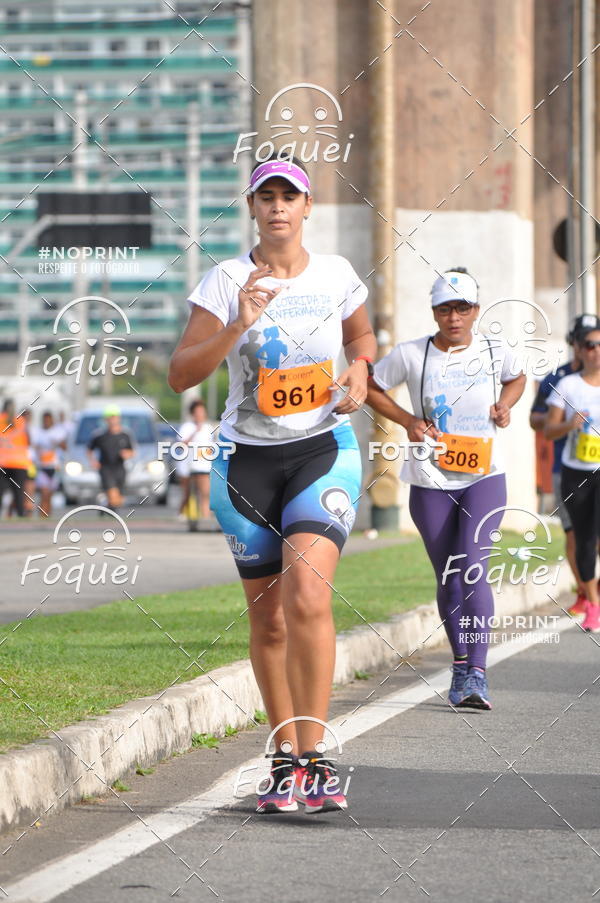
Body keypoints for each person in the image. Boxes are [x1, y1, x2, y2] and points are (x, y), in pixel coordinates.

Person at [168, 155, 375, 813]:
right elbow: (180, 374)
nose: (279, 206)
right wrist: (238, 323)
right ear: (253, 207)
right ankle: (284, 758)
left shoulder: (336, 272)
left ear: (308, 206)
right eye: (267, 196)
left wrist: (361, 371)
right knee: (269, 616)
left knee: (308, 593)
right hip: (245, 464)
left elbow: (362, 336)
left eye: (290, 195)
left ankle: (315, 759)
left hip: (322, 450)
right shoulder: (226, 279)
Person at [366, 268, 526, 710]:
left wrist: (505, 405)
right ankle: (459, 664)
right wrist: (408, 421)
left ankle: (477, 673)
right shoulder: (411, 354)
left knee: (473, 567)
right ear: (434, 311)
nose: (454, 317)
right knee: (450, 575)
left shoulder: (494, 350)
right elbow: (370, 388)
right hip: (430, 481)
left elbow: (517, 377)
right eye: (444, 309)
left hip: (484, 477)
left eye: (462, 308)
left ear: (476, 310)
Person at [530, 314, 597, 615]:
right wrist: (565, 417)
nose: (592, 348)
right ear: (575, 344)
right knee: (575, 533)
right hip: (565, 467)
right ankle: (586, 593)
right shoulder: (559, 379)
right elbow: (535, 419)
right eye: (586, 342)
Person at [545, 319, 600, 633]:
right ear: (580, 350)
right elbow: (548, 430)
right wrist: (569, 424)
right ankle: (592, 603)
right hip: (576, 472)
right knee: (585, 539)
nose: (596, 351)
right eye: (590, 345)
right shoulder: (567, 385)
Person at [87, 406, 135, 513]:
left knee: (118, 500)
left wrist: (127, 454)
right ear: (106, 420)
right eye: (110, 417)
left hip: (120, 469)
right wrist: (93, 461)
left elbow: (133, 451)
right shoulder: (99, 435)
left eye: (114, 417)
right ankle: (109, 505)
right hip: (106, 468)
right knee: (113, 497)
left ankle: (104, 504)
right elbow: (89, 450)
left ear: (119, 418)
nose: (112, 420)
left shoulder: (125, 435)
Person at [177, 399, 213, 522]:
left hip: (203, 466)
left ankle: (204, 517)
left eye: (202, 412)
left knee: (204, 493)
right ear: (193, 414)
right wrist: (195, 431)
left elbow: (210, 447)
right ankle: (182, 514)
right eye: (197, 412)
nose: (200, 415)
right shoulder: (187, 427)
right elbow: (182, 445)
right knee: (188, 493)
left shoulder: (208, 428)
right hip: (187, 466)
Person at [32, 410, 68, 517]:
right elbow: (33, 447)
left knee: (49, 495)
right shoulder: (38, 432)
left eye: (49, 420)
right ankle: (42, 515)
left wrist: (57, 443)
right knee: (44, 493)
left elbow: (65, 447)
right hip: (42, 467)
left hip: (54, 467)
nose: (47, 422)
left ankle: (47, 516)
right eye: (45, 420)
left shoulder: (57, 432)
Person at [0, 399, 30, 518]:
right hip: (19, 463)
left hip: (4, 462)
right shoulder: (21, 421)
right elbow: (29, 440)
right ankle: (20, 515)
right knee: (18, 492)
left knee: (1, 490)